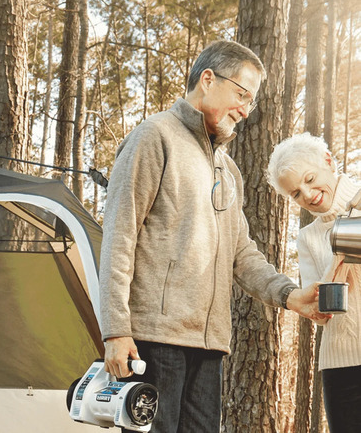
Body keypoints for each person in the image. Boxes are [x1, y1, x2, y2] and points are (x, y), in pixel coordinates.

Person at [96, 40, 328, 432]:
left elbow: (242, 253)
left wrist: (290, 296)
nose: (244, 109)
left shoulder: (228, 170)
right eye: (241, 94)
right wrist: (116, 330)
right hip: (154, 339)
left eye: (251, 102)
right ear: (207, 79)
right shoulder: (155, 137)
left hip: (209, 347)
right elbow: (119, 236)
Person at [267, 133, 361, 432]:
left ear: (328, 161)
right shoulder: (307, 237)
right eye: (295, 193)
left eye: (309, 178)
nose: (307, 194)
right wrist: (345, 241)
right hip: (340, 361)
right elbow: (321, 310)